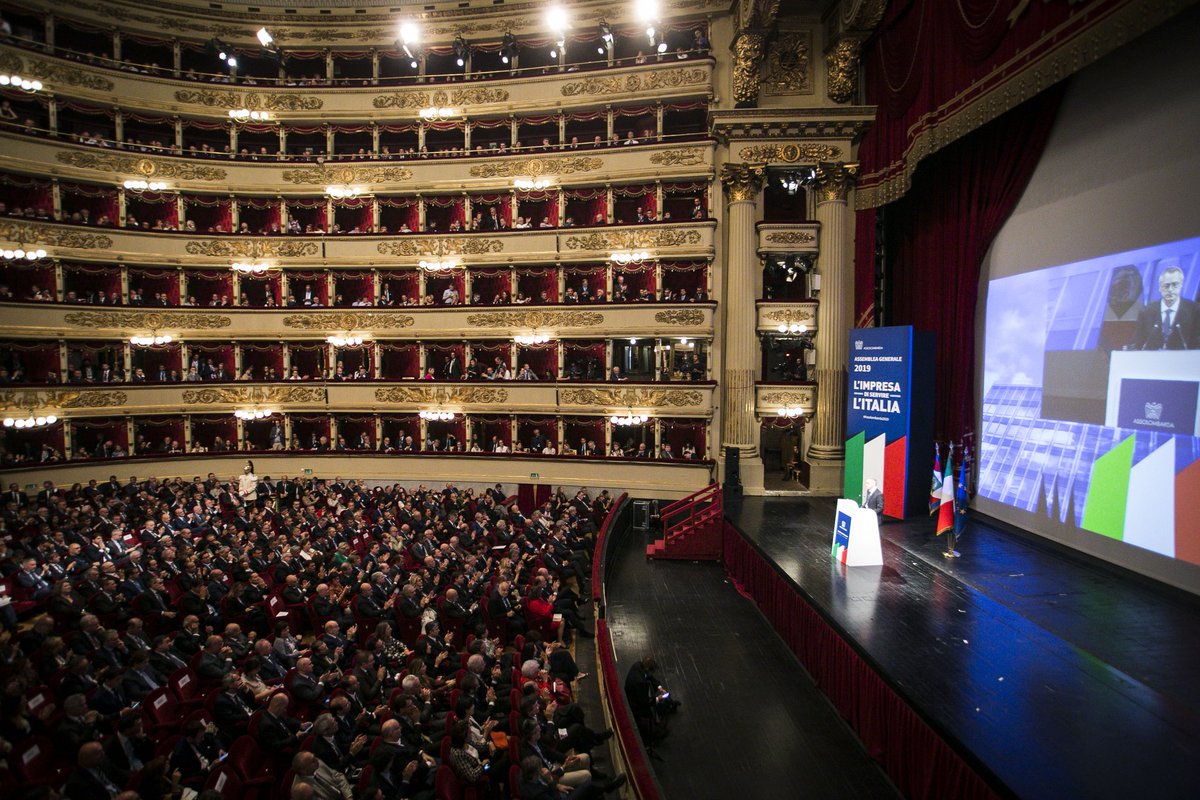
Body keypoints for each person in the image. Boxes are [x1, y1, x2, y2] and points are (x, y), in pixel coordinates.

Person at [1129, 266, 1198, 350]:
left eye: (1175, 285)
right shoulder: (1146, 312)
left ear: (1181, 286)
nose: (1170, 289)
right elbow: (1137, 343)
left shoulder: (1195, 310)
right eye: (1166, 286)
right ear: (1160, 288)